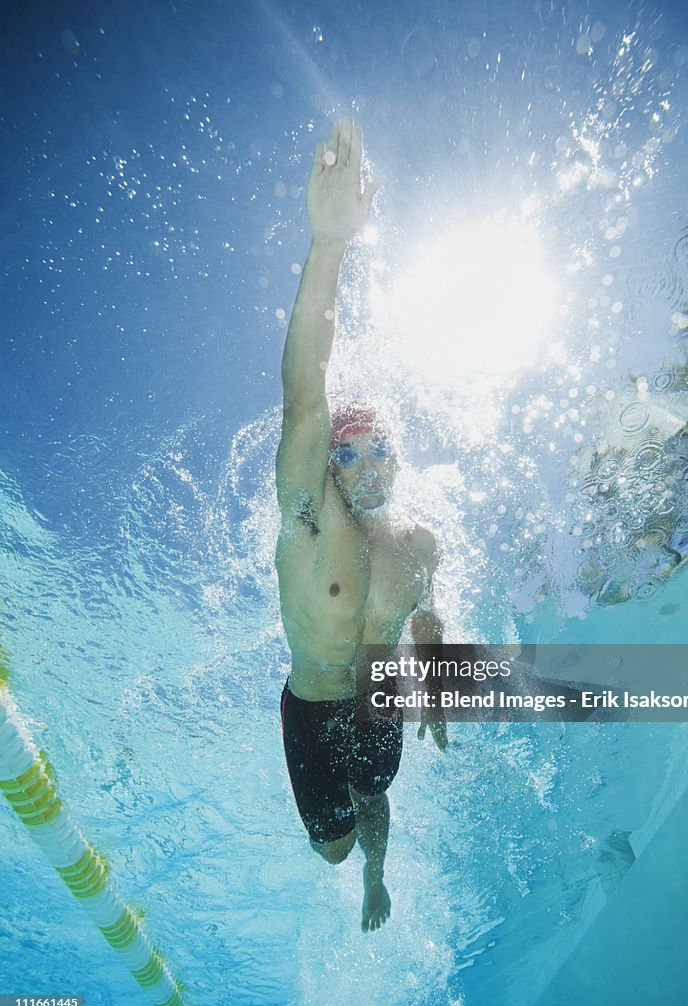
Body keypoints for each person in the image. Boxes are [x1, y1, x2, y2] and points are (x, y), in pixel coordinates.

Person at [275, 118, 447, 933]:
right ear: (329, 465)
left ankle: (381, 873)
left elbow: (428, 618)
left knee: (374, 799)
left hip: (383, 704)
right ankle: (357, 865)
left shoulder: (419, 544)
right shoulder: (310, 523)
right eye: (352, 454)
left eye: (384, 450)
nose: (370, 467)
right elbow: (306, 392)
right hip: (312, 706)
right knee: (330, 847)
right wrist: (330, 243)